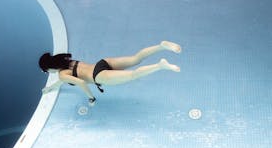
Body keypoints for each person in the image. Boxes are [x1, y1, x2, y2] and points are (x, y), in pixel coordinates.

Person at [39, 41, 182, 104]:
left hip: (99, 76)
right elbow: (65, 79)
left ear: (50, 68)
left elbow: (81, 82)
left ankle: (160, 65)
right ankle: (161, 46)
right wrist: (51, 88)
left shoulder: (62, 74)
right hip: (102, 63)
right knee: (136, 58)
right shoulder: (68, 63)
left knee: (133, 75)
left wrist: (91, 97)